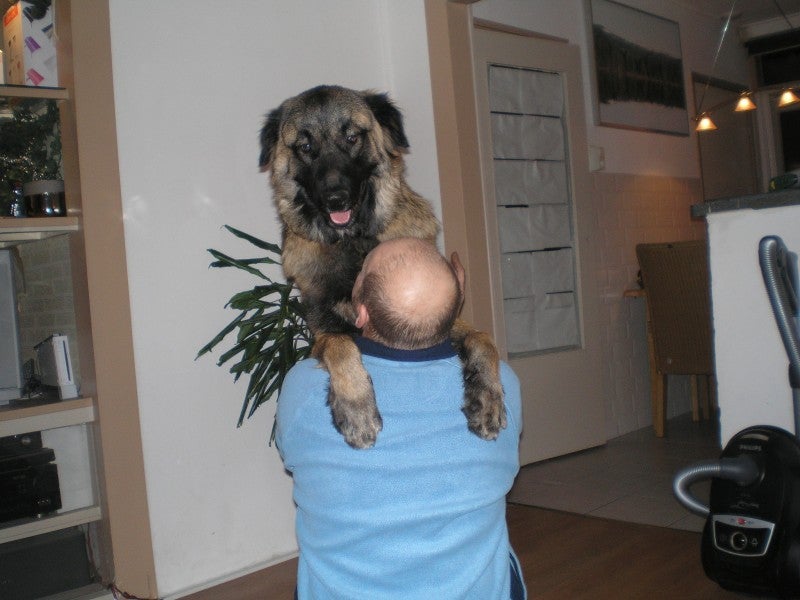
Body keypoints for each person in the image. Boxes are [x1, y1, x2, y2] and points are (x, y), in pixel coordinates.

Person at [276, 237, 525, 599]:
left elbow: (290, 453)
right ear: (455, 308)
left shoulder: (305, 387)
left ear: (360, 312)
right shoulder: (502, 385)